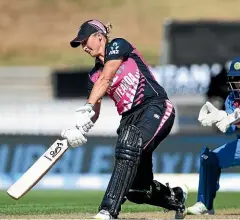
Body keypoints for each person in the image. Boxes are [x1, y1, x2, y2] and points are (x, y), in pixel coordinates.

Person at [60, 19, 188, 219]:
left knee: (129, 145)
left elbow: (107, 78)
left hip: (154, 106)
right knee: (136, 189)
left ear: (100, 37)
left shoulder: (119, 45)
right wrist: (79, 128)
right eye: (81, 45)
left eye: (85, 41)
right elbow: (94, 112)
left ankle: (107, 210)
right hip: (129, 119)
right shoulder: (93, 76)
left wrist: (86, 107)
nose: (84, 47)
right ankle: (175, 197)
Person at [188, 56, 240, 215]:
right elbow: (230, 130)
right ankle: (204, 204)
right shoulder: (232, 98)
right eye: (234, 79)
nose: (238, 83)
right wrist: (221, 118)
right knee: (209, 158)